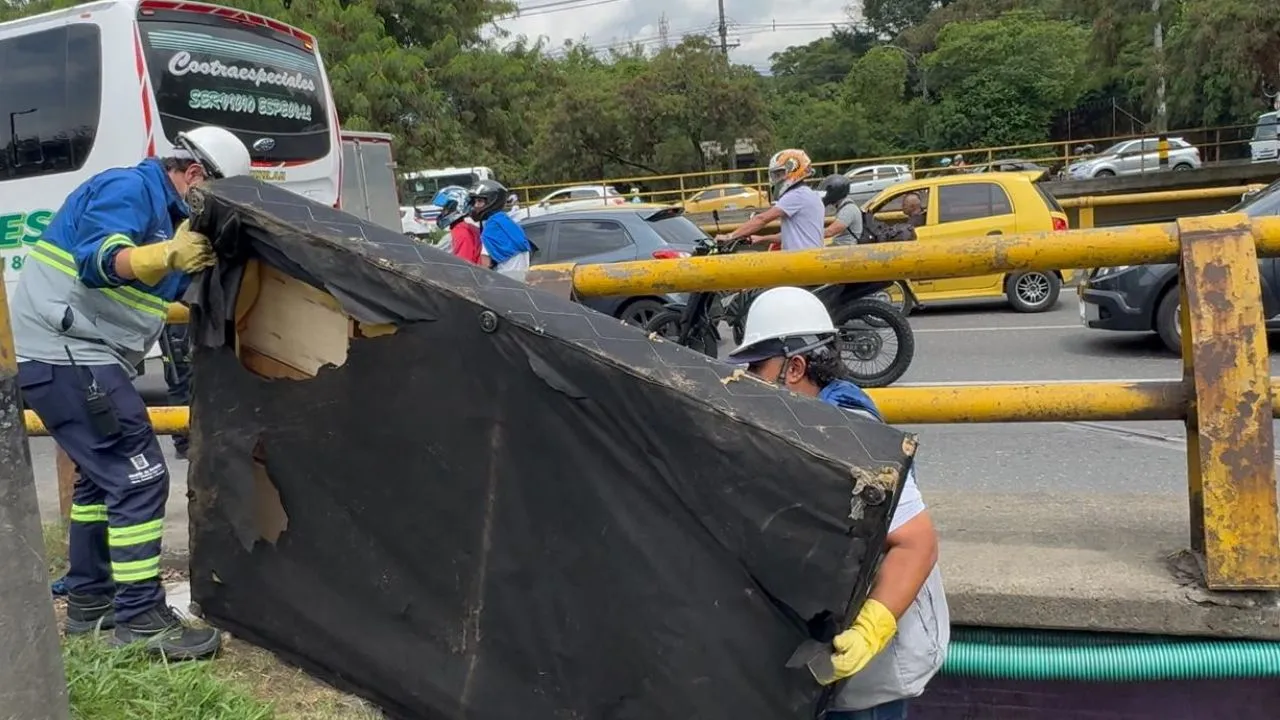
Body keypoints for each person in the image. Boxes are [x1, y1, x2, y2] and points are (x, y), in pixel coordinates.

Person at [13, 125, 252, 660]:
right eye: (217, 195)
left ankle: (90, 601)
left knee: (102, 486)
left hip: (73, 353)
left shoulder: (175, 220)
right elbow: (100, 261)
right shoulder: (129, 189)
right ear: (193, 175)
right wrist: (166, 256)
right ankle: (140, 616)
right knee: (140, 474)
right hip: (66, 351)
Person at [726, 287, 949, 719]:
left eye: (757, 366)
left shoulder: (849, 432)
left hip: (874, 662)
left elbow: (916, 542)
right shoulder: (792, 424)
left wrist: (870, 631)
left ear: (794, 367)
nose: (747, 378)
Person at [715, 149, 825, 251]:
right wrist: (761, 239)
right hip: (810, 260)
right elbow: (792, 235)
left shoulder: (796, 195)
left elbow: (762, 219)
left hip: (801, 263)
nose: (776, 179)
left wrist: (730, 236)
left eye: (780, 174)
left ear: (793, 170)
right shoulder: (810, 195)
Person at [469, 179, 533, 276]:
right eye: (475, 201)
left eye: (480, 201)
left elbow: (485, 264)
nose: (476, 205)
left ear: (492, 201)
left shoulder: (492, 228)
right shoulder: (505, 221)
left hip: (504, 281)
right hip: (521, 279)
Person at [433, 185, 483, 266]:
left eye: (446, 208)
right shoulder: (469, 228)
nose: (443, 212)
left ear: (457, 207)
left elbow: (463, 264)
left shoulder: (459, 233)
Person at [818, 174, 864, 246]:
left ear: (835, 192)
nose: (826, 195)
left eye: (828, 192)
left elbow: (830, 231)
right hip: (842, 244)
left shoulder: (848, 209)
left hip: (846, 247)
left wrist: (811, 234)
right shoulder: (844, 206)